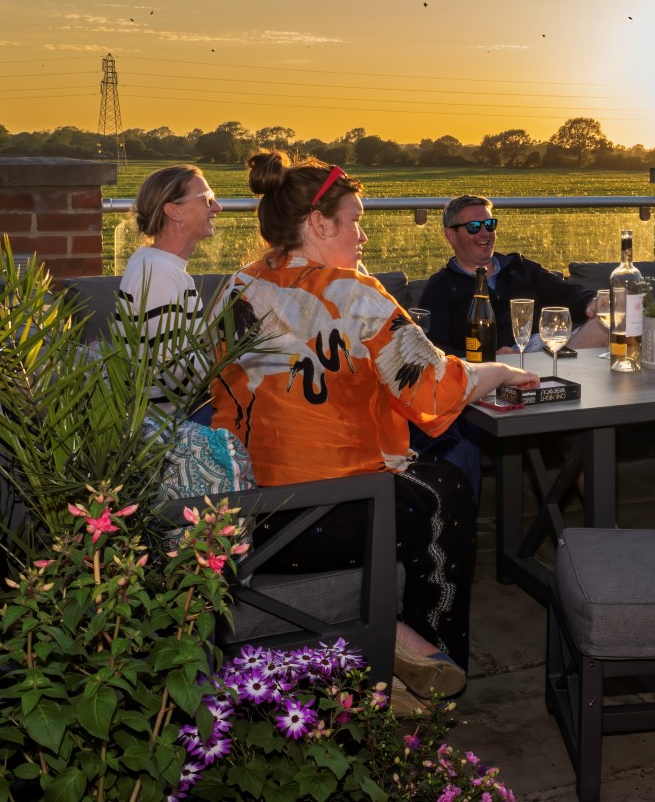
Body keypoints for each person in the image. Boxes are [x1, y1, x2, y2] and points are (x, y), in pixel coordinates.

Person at [210, 153, 537, 708]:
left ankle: (394, 646)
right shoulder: (353, 295)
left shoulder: (235, 288)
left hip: (242, 513)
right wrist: (500, 372)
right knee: (444, 493)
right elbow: (435, 388)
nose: (363, 235)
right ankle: (433, 662)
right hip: (319, 517)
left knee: (424, 482)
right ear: (318, 225)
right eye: (354, 220)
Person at [417, 194, 606, 357]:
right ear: (451, 236)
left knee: (609, 320)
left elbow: (563, 291)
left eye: (490, 225)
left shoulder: (519, 266)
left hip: (550, 350)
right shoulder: (441, 286)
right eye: (474, 227)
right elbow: (432, 348)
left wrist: (591, 301)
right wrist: (490, 357)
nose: (485, 233)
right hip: (494, 367)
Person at [118, 164, 224, 424]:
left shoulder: (154, 263)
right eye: (207, 199)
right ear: (173, 211)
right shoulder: (159, 274)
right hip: (172, 425)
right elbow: (178, 380)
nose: (217, 207)